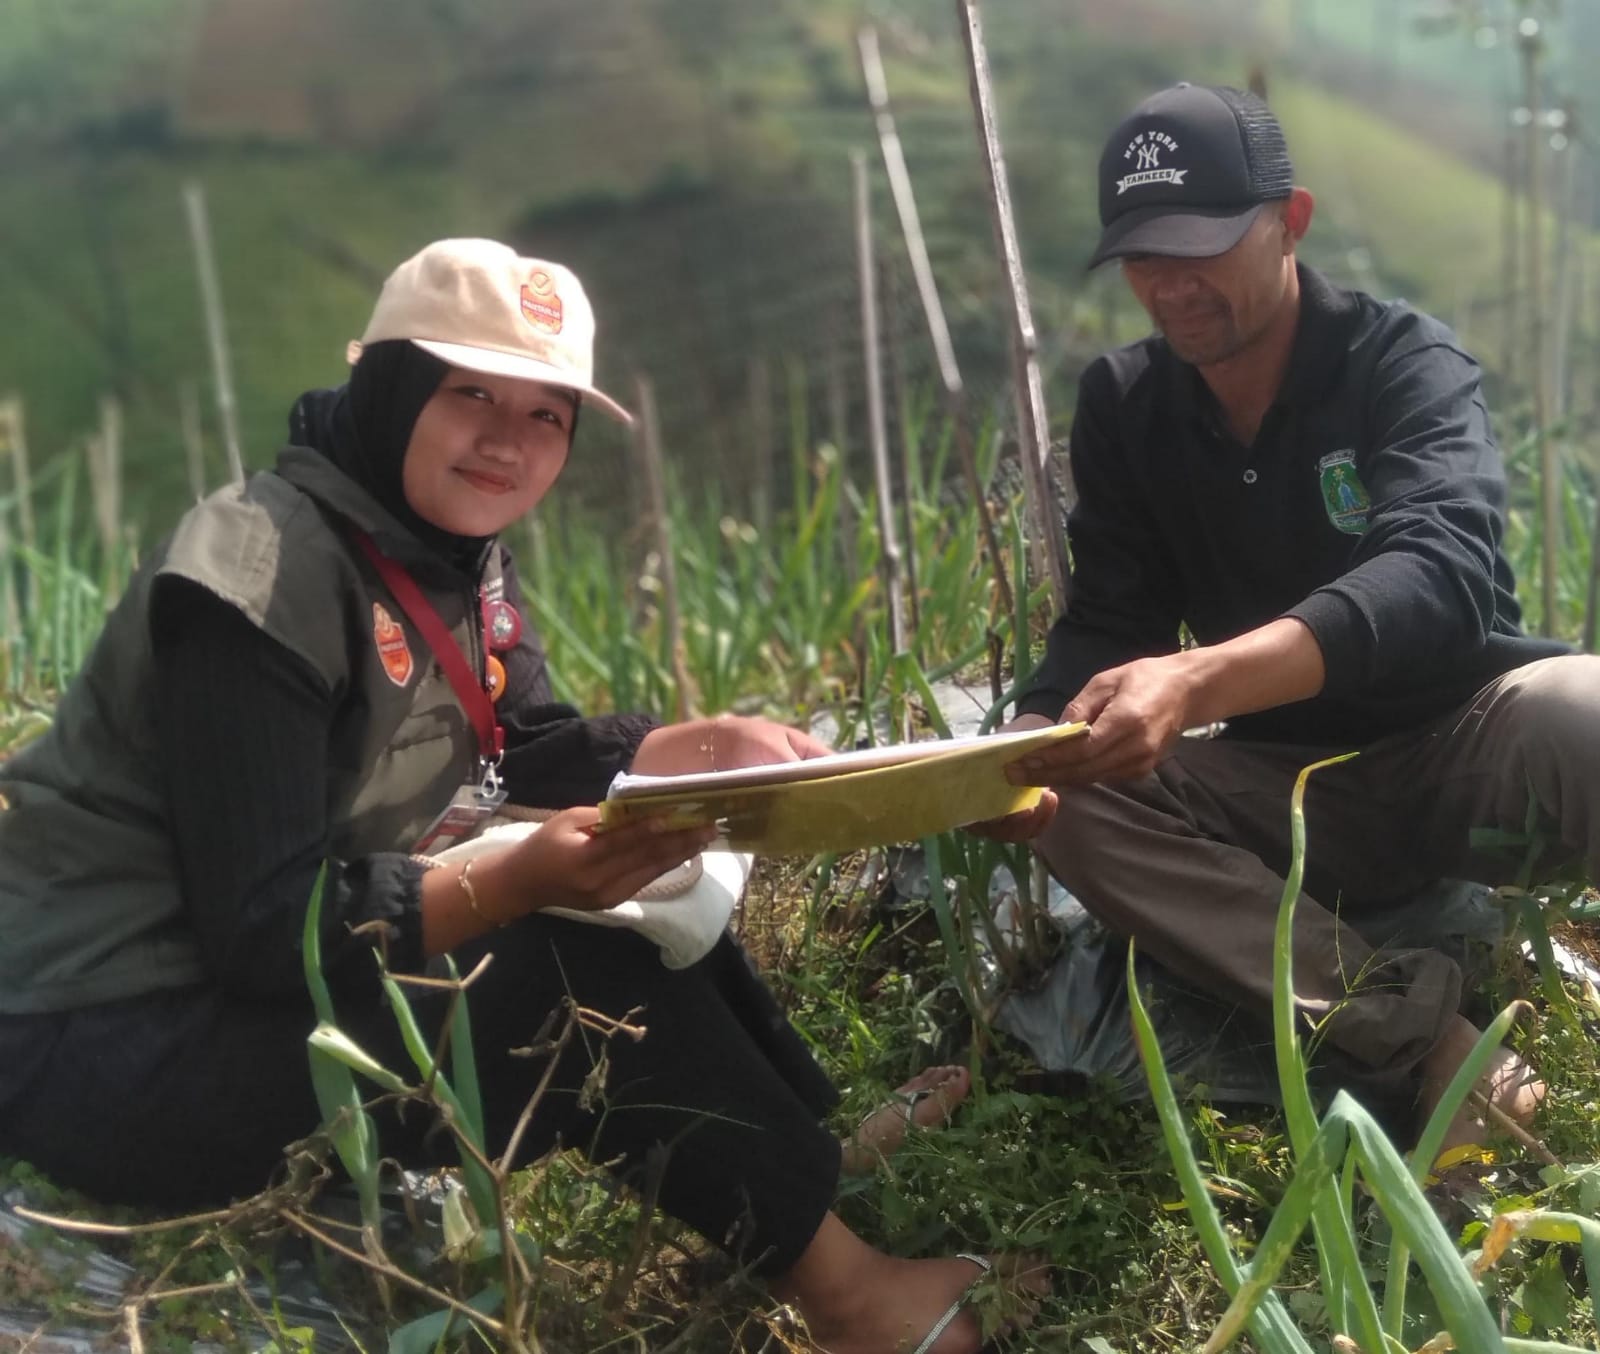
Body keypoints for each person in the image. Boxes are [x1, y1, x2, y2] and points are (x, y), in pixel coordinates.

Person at [0, 239, 1037, 1353]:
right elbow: (264, 928)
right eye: (470, 395)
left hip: (219, 991)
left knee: (641, 890)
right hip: (105, 1037)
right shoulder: (255, 581)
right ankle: (854, 1300)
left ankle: (797, 1156)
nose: (507, 441)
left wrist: (699, 750)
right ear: (390, 385)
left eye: (547, 414)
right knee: (560, 963)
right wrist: (513, 880)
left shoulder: (444, 540)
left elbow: (518, 743)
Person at [990, 84, 1598, 1150]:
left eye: (1198, 247)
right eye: (1140, 257)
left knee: (1586, 711)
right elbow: (1109, 617)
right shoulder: (1127, 406)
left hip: (1462, 744)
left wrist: (1199, 680)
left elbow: (1439, 571)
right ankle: (1414, 1032)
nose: (1169, 285)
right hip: (1279, 794)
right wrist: (1030, 739)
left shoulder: (1400, 360)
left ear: (1291, 221)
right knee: (1071, 797)